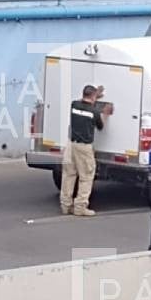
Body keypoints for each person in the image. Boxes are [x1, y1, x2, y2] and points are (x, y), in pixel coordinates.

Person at [61, 84, 110, 217]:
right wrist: (105, 113)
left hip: (71, 145)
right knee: (86, 176)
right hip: (84, 147)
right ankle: (80, 207)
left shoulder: (74, 105)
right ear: (93, 96)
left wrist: (95, 95)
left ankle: (66, 205)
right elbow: (100, 126)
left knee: (69, 175)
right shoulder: (94, 112)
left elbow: (83, 102)